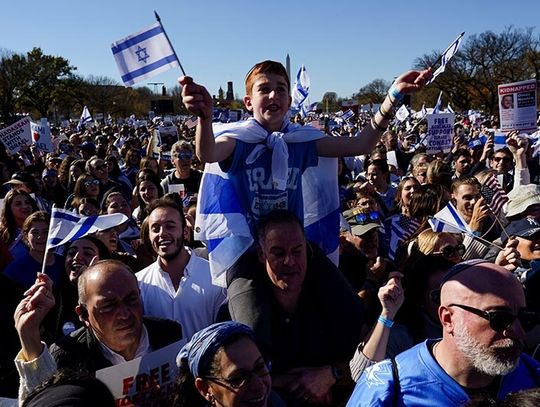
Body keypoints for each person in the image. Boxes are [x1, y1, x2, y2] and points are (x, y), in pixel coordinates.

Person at [181, 60, 431, 281]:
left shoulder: (299, 142)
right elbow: (208, 154)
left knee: (346, 308)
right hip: (250, 257)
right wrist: (205, 118)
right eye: (264, 89)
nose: (273, 95)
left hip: (295, 251)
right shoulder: (240, 141)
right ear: (248, 102)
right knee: (254, 321)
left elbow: (360, 144)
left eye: (281, 89)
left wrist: (393, 97)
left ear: (289, 101)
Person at [347, 260, 540, 406]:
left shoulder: (533, 375)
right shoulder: (388, 387)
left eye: (525, 318)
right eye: (499, 318)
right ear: (448, 318)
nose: (518, 332)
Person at [227, 210, 365, 406]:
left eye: (296, 251)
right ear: (261, 255)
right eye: (278, 253)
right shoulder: (246, 311)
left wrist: (331, 374)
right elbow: (236, 382)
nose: (289, 262)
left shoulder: (330, 295)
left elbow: (370, 352)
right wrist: (297, 383)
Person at [14, 261, 183, 401]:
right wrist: (29, 337)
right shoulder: (67, 356)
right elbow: (45, 402)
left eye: (131, 299)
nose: (124, 314)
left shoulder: (169, 334)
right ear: (83, 315)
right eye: (109, 305)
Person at [137, 196, 226, 340]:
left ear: (185, 232)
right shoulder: (139, 283)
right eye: (155, 228)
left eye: (170, 226)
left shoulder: (215, 276)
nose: (162, 233)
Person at [174, 321, 285, 407]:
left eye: (259, 367)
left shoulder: (276, 402)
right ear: (205, 388)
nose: (258, 385)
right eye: (239, 377)